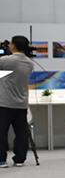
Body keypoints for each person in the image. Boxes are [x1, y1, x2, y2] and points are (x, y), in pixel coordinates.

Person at [0, 35, 34, 168]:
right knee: (21, 133)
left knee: (1, 132)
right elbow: (14, 75)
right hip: (21, 103)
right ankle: (20, 158)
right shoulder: (29, 63)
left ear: (13, 45)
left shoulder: (6, 61)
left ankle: (1, 159)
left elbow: (5, 73)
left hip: (4, 103)